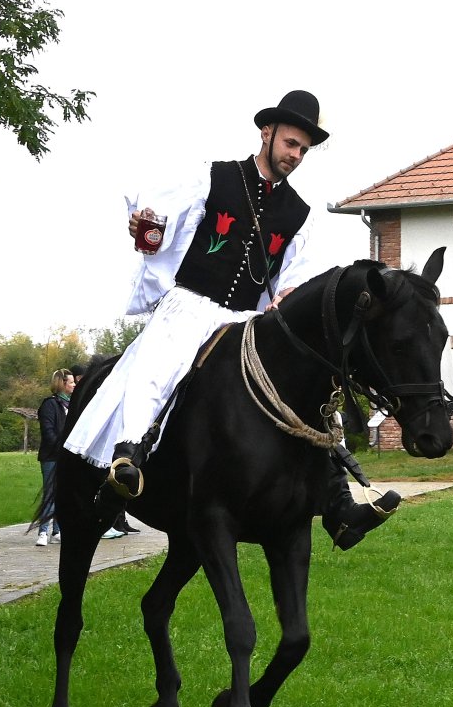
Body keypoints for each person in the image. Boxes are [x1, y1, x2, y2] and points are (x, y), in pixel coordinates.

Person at [62, 89, 398, 550]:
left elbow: (293, 277)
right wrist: (146, 229)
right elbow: (160, 223)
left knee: (311, 388)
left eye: (303, 149)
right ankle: (128, 457)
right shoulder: (215, 177)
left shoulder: (299, 213)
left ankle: (339, 505)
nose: (295, 155)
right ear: (267, 132)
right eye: (290, 144)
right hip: (191, 305)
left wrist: (287, 299)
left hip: (245, 318)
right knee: (156, 366)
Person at [34, 368, 73, 546]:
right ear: (62, 384)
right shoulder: (50, 404)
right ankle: (43, 531)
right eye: (71, 382)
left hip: (68, 457)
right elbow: (48, 431)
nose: (74, 385)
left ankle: (58, 530)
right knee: (50, 493)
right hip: (52, 456)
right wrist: (61, 448)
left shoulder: (73, 404)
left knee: (63, 493)